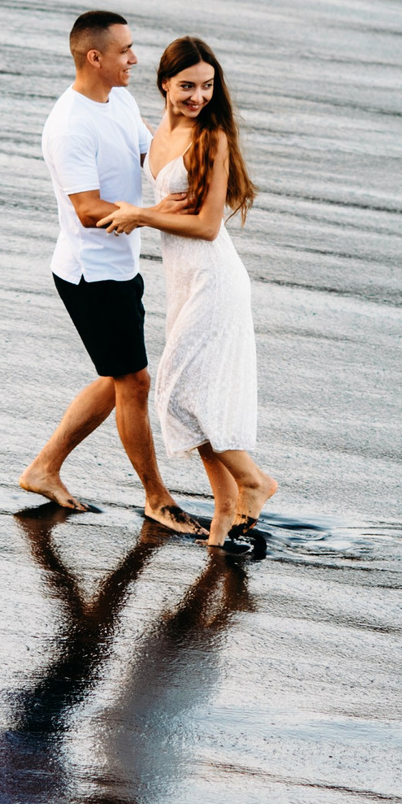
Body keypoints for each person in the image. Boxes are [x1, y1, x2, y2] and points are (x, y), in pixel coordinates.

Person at [18, 10, 204, 536]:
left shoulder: (119, 100)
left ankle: (43, 468)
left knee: (117, 376)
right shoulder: (69, 125)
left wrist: (201, 152)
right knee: (134, 381)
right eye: (125, 51)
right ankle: (157, 499)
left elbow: (151, 155)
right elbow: (86, 208)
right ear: (94, 57)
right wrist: (152, 214)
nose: (135, 59)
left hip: (121, 265)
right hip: (90, 275)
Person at [100, 36, 278, 553]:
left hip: (214, 278)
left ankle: (254, 480)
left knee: (178, 391)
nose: (198, 96)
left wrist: (140, 216)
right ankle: (224, 512)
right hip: (182, 281)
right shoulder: (157, 132)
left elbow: (205, 225)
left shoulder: (211, 138)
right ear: (164, 84)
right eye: (187, 86)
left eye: (207, 86)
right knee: (196, 397)